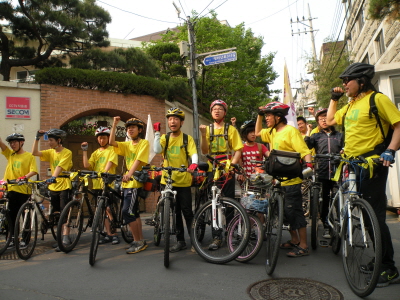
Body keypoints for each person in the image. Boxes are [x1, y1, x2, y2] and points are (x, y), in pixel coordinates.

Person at [326, 62, 400, 287]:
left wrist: (390, 150)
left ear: (362, 81)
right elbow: (329, 121)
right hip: (351, 164)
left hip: (372, 163)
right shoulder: (349, 105)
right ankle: (378, 260)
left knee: (374, 216)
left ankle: (388, 268)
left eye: (347, 80)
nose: (344, 85)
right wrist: (333, 99)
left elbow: (398, 125)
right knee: (364, 216)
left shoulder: (377, 100)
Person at [255, 102, 312, 257]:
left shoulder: (290, 131)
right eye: (265, 115)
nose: (267, 118)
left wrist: (309, 165)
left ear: (278, 117)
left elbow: (304, 151)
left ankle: (304, 245)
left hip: (292, 180)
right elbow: (258, 131)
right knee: (285, 212)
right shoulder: (272, 132)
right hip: (278, 180)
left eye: (268, 115)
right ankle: (294, 240)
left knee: (295, 212)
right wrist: (259, 115)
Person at [199, 99, 243, 250]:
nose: (217, 111)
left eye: (220, 109)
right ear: (211, 112)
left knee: (229, 200)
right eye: (214, 109)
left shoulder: (230, 129)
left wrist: (232, 165)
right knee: (214, 203)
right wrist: (203, 135)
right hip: (213, 168)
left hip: (227, 167)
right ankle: (217, 236)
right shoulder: (208, 129)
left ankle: (230, 232)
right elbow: (205, 152)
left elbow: (238, 149)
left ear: (225, 112)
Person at [153, 108, 198, 252]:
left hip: (183, 180)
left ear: (181, 122)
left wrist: (193, 164)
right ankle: (180, 241)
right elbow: (157, 150)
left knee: (187, 211)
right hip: (167, 180)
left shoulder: (187, 138)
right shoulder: (164, 138)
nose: (172, 121)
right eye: (170, 119)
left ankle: (195, 242)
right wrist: (156, 133)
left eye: (176, 119)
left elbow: (194, 153)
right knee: (175, 212)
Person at [110, 116, 149, 254]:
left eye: (133, 127)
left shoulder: (144, 143)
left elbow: (138, 160)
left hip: (135, 182)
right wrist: (114, 124)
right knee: (135, 213)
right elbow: (112, 142)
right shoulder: (126, 144)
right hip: (128, 183)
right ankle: (140, 240)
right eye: (128, 127)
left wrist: (129, 174)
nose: (129, 129)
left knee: (127, 211)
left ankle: (138, 241)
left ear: (140, 130)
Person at [304, 108, 343, 239]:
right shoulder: (316, 136)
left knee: (338, 199)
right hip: (322, 171)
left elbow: (345, 148)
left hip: (337, 171)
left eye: (326, 118)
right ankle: (326, 225)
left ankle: (340, 224)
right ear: (318, 122)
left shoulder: (339, 135)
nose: (324, 120)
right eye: (321, 119)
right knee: (325, 199)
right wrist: (308, 131)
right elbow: (307, 145)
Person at [32, 129, 73, 251]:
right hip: (53, 186)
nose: (49, 142)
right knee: (55, 213)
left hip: (64, 185)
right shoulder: (50, 152)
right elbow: (34, 152)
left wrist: (54, 177)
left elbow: (60, 166)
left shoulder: (67, 152)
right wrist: (37, 137)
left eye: (51, 140)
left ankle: (66, 236)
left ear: (58, 140)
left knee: (64, 211)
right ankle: (59, 238)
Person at [81, 127, 119, 245]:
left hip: (108, 184)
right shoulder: (96, 153)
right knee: (101, 210)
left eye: (104, 138)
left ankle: (114, 233)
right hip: (97, 185)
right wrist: (84, 151)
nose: (101, 140)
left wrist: (105, 171)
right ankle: (108, 234)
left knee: (108, 209)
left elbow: (110, 162)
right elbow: (87, 165)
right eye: (100, 138)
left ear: (108, 138)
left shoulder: (112, 149)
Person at [0, 133, 38, 248]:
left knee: (24, 216)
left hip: (23, 190)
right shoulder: (11, 154)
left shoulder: (29, 156)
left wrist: (24, 177)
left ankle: (25, 240)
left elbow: (34, 171)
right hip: (11, 189)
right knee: (11, 216)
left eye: (15, 142)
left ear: (21, 142)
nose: (12, 145)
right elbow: (2, 145)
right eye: (11, 143)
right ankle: (11, 238)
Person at [237, 120, 269, 223]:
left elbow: (270, 156)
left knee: (260, 209)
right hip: (246, 183)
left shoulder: (261, 146)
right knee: (247, 208)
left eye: (254, 131)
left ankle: (261, 230)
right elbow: (237, 164)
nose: (253, 134)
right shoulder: (240, 148)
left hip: (260, 183)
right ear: (245, 134)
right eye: (250, 132)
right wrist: (239, 175)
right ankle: (249, 231)